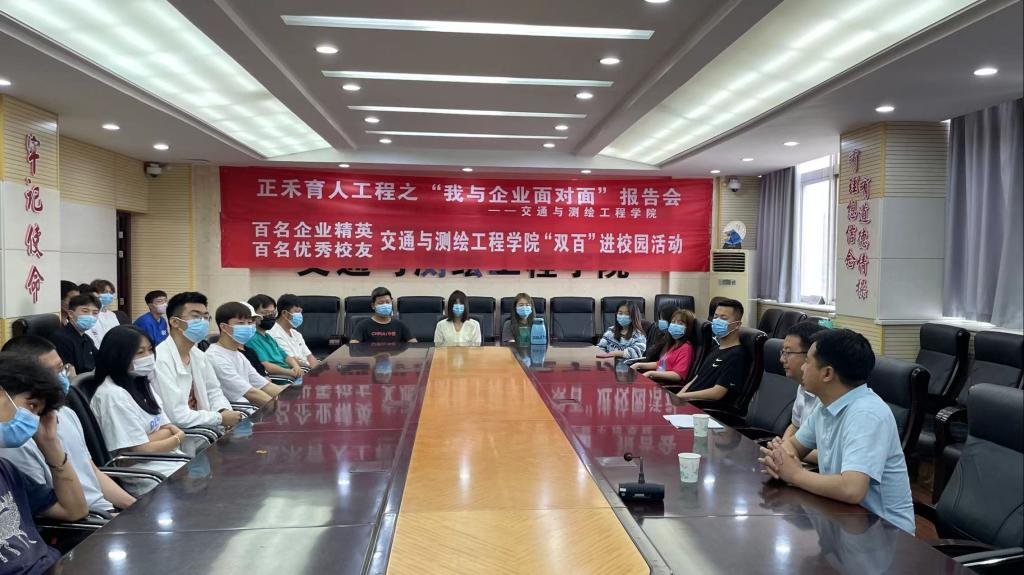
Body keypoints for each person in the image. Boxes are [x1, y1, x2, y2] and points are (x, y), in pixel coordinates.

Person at [759, 329, 916, 534]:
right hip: (841, 519)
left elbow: (852, 489)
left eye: (808, 362)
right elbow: (794, 446)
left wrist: (795, 474)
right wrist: (780, 460)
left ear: (827, 373)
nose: (803, 367)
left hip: (883, 535)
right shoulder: (825, 406)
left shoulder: (866, 414)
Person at [0, 337, 135, 514]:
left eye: (61, 369)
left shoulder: (65, 414)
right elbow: (66, 513)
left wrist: (135, 507)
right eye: (49, 373)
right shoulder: (15, 440)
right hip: (88, 521)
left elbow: (92, 472)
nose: (59, 378)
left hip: (103, 513)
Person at [0, 352, 90, 574]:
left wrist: (50, 444)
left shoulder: (6, 470)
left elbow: (75, 510)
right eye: (31, 406)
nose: (33, 420)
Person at [83, 326, 188, 457]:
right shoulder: (113, 395)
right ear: (118, 356)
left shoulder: (140, 381)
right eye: (140, 352)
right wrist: (178, 438)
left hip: (166, 458)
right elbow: (138, 452)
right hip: (144, 467)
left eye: (150, 349)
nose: (149, 356)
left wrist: (150, 440)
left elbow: (166, 426)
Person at [152, 292, 243, 430]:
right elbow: (177, 416)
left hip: (207, 430)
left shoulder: (199, 355)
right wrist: (219, 418)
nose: (203, 322)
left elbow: (214, 391)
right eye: (196, 316)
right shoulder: (160, 359)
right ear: (175, 322)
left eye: (206, 317)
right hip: (181, 434)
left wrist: (223, 410)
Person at [207, 302, 287, 407]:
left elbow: (265, 385)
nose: (247, 327)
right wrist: (282, 406)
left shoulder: (238, 355)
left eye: (249, 323)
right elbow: (251, 393)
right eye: (240, 323)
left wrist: (290, 399)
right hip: (239, 411)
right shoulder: (215, 357)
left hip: (252, 408)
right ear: (224, 327)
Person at [673, 298, 749, 402]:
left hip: (701, 406)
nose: (717, 321)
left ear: (737, 325)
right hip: (686, 401)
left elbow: (717, 393)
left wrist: (682, 397)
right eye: (716, 317)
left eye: (723, 318)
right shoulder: (715, 348)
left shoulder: (736, 355)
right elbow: (696, 379)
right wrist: (678, 396)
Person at [780, 321, 828, 462]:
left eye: (788, 353)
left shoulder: (829, 398)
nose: (781, 359)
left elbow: (830, 456)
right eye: (783, 352)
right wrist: (784, 446)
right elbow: (795, 426)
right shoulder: (804, 386)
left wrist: (788, 451)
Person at [247, 295, 303, 382]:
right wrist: (290, 372)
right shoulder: (252, 338)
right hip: (277, 376)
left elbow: (286, 356)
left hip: (287, 372)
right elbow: (265, 365)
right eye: (265, 313)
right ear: (253, 316)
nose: (270, 316)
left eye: (272, 313)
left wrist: (296, 366)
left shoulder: (268, 336)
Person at [637, 309, 698, 383]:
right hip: (657, 379)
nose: (675, 325)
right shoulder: (674, 343)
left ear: (688, 327)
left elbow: (678, 375)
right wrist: (639, 365)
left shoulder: (686, 348)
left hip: (665, 384)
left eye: (680, 323)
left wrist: (651, 373)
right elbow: (660, 363)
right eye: (673, 322)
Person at [48, 293, 100, 375]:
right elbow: (69, 377)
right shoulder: (61, 339)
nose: (90, 316)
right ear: (71, 314)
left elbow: (101, 360)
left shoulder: (87, 339)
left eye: (95, 313)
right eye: (85, 311)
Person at [269, 294, 320, 369]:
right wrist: (311, 368)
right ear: (284, 313)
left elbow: (309, 356)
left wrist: (318, 368)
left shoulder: (296, 334)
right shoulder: (273, 333)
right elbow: (290, 360)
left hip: (307, 367)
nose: (300, 315)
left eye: (300, 312)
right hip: (295, 369)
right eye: (297, 312)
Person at [350, 287, 416, 345]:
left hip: (393, 355)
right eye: (380, 303)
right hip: (371, 355)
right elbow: (353, 345)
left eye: (388, 302)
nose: (385, 305)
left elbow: (413, 343)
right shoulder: (363, 325)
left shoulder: (400, 325)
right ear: (373, 305)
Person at [85, 278, 121, 347]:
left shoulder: (112, 315)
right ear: (94, 294)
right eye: (105, 292)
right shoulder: (89, 315)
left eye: (111, 293)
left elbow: (119, 334)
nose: (109, 295)